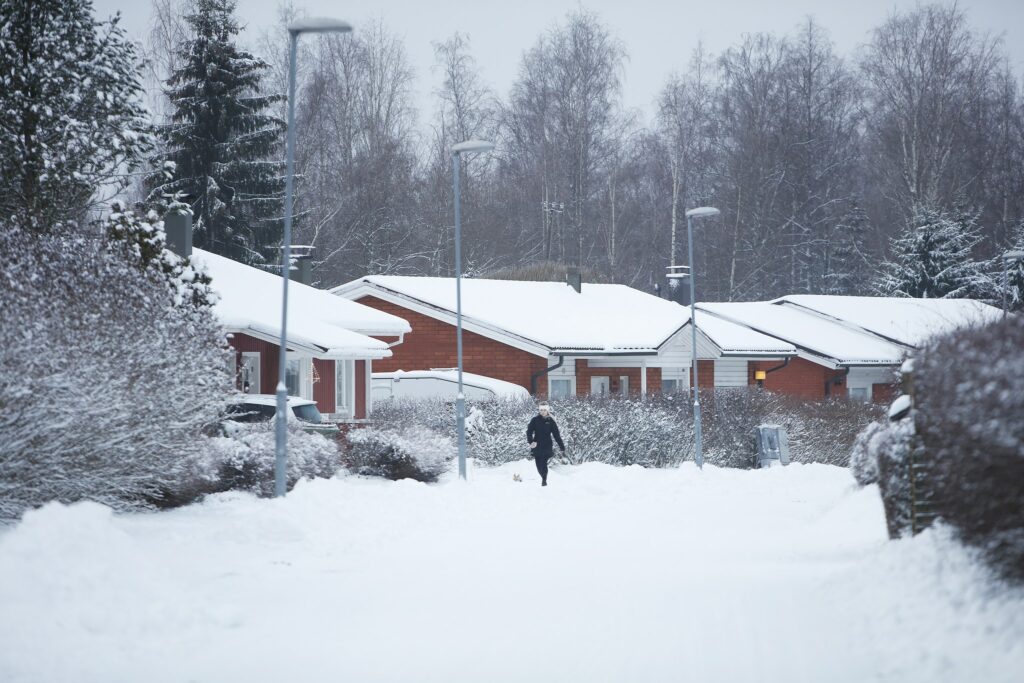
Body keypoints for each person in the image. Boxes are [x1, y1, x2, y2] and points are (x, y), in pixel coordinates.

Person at [526, 402, 565, 486]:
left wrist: (561, 446)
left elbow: (556, 435)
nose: (542, 412)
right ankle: (543, 476)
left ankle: (544, 479)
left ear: (547, 410)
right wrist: (531, 441)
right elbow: (529, 431)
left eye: (544, 410)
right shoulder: (535, 420)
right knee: (538, 465)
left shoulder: (551, 421)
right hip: (536, 445)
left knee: (543, 462)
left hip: (547, 445)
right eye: (541, 410)